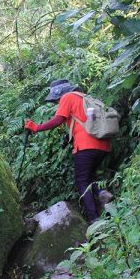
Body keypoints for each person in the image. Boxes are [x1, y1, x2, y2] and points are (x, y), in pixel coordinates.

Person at [24, 79, 113, 223]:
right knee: (89, 178)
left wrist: (36, 128)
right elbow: (85, 123)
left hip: (85, 146)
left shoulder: (67, 97)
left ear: (59, 93)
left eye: (56, 99)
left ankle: (94, 220)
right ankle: (102, 193)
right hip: (103, 144)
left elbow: (58, 120)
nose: (57, 102)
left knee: (82, 182)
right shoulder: (84, 98)